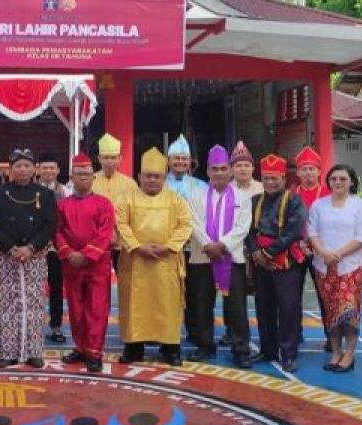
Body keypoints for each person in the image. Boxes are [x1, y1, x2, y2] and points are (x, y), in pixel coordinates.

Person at [116, 147, 192, 367]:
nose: (152, 180)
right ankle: (133, 347)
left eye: (157, 176)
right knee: (134, 305)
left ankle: (170, 348)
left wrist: (168, 247)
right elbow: (121, 224)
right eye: (147, 175)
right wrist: (137, 246)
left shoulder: (175, 200)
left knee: (166, 305)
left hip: (165, 262)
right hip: (135, 261)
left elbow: (186, 224)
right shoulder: (127, 199)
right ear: (139, 176)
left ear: (164, 177)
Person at [0, 148, 58, 369]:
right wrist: (11, 248)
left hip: (34, 256)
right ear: (10, 169)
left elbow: (50, 225)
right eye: (18, 165)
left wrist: (32, 247)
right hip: (8, 256)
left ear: (34, 168)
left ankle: (34, 351)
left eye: (27, 165)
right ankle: (8, 352)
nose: (23, 169)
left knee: (35, 303)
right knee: (8, 304)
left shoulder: (44, 194)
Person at [187, 145, 251, 365]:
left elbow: (243, 227)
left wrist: (221, 245)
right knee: (202, 305)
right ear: (207, 171)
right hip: (202, 258)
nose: (219, 173)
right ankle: (205, 346)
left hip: (231, 258)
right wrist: (209, 245)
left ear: (230, 171)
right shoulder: (195, 195)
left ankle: (241, 350)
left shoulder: (243, 197)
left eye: (223, 168)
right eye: (215, 169)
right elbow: (193, 223)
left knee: (237, 307)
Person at [245, 154, 307, 373]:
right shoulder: (255, 201)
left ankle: (288, 354)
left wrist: (268, 254)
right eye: (267, 178)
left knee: (288, 308)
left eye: (275, 178)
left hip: (286, 261)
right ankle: (267, 349)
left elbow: (293, 231)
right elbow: (249, 231)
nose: (271, 183)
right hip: (260, 262)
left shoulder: (294, 200)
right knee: (263, 306)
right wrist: (255, 253)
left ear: (284, 178)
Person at [308, 164, 362, 373]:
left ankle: (350, 354)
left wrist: (337, 254)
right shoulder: (319, 205)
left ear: (351, 181)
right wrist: (324, 253)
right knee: (331, 312)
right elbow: (312, 232)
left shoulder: (361, 206)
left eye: (343, 179)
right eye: (334, 178)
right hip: (323, 266)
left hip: (350, 267)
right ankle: (335, 351)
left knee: (348, 312)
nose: (338, 182)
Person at [54, 153, 115, 372]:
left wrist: (86, 255)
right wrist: (69, 252)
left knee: (96, 308)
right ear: (71, 176)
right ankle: (80, 347)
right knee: (76, 308)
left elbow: (105, 234)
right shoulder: (62, 205)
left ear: (93, 177)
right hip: (71, 265)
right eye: (79, 175)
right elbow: (57, 232)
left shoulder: (104, 204)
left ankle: (95, 352)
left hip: (97, 266)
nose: (83, 179)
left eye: (87, 175)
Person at [220, 140, 263, 351]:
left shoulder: (262, 188)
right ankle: (231, 331)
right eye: (238, 165)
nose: (242, 169)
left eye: (246, 165)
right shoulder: (225, 190)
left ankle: (266, 331)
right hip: (233, 248)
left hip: (258, 248)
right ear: (231, 169)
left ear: (253, 168)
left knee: (262, 293)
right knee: (231, 295)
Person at [293, 146, 332, 351]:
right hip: (295, 250)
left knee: (325, 294)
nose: (308, 172)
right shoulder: (291, 193)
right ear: (298, 172)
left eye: (312, 168)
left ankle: (331, 336)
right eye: (304, 168)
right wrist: (299, 243)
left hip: (321, 252)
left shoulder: (328, 194)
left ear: (319, 171)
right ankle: (295, 334)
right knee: (292, 295)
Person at [36, 154, 69, 344]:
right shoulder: (31, 190)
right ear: (39, 169)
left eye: (52, 168)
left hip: (57, 247)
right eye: (45, 168)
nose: (48, 171)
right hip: (35, 247)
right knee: (33, 289)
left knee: (56, 288)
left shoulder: (65, 191)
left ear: (57, 171)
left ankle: (56, 327)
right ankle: (31, 326)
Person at [93, 133, 137, 271]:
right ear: (99, 159)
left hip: (123, 242)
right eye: (106, 157)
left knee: (125, 279)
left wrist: (116, 229)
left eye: (113, 157)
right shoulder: (90, 181)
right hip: (96, 240)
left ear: (120, 159)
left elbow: (134, 212)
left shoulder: (130, 184)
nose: (110, 161)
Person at [166, 135, 208, 202]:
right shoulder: (159, 185)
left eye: (184, 159)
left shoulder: (202, 186)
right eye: (176, 158)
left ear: (190, 161)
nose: (180, 161)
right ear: (168, 161)